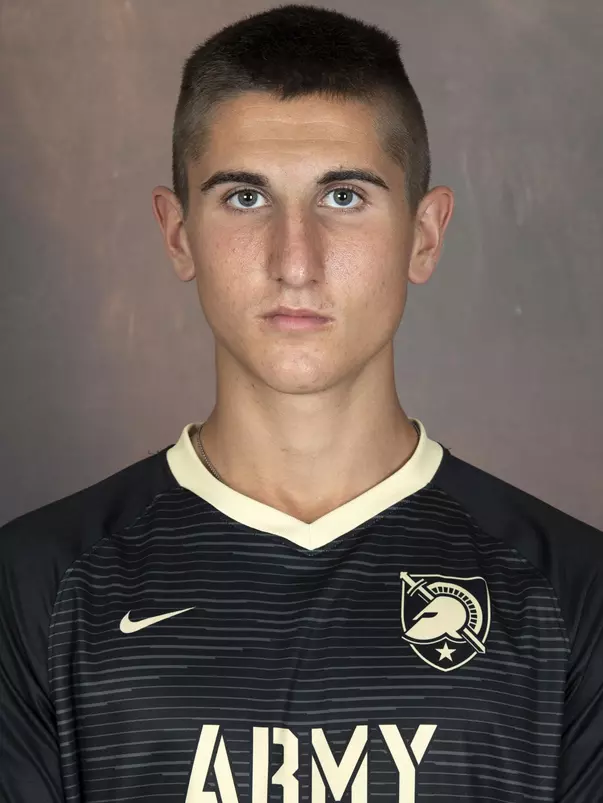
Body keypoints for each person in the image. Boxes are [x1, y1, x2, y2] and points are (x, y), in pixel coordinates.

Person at [1, 4, 602, 802]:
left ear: (424, 235)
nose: (295, 260)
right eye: (244, 198)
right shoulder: (35, 586)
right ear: (177, 233)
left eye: (343, 197)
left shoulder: (570, 592)